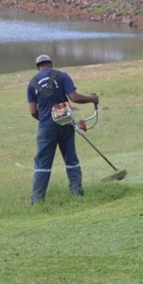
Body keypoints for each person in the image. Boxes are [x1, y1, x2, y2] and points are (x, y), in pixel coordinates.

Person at [27, 54, 100, 204]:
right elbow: (74, 97)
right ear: (51, 64)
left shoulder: (32, 83)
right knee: (70, 158)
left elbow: (33, 111)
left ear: (38, 67)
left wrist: (47, 121)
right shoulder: (62, 76)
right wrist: (93, 99)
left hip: (46, 128)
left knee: (42, 163)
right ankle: (77, 193)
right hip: (65, 124)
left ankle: (37, 200)